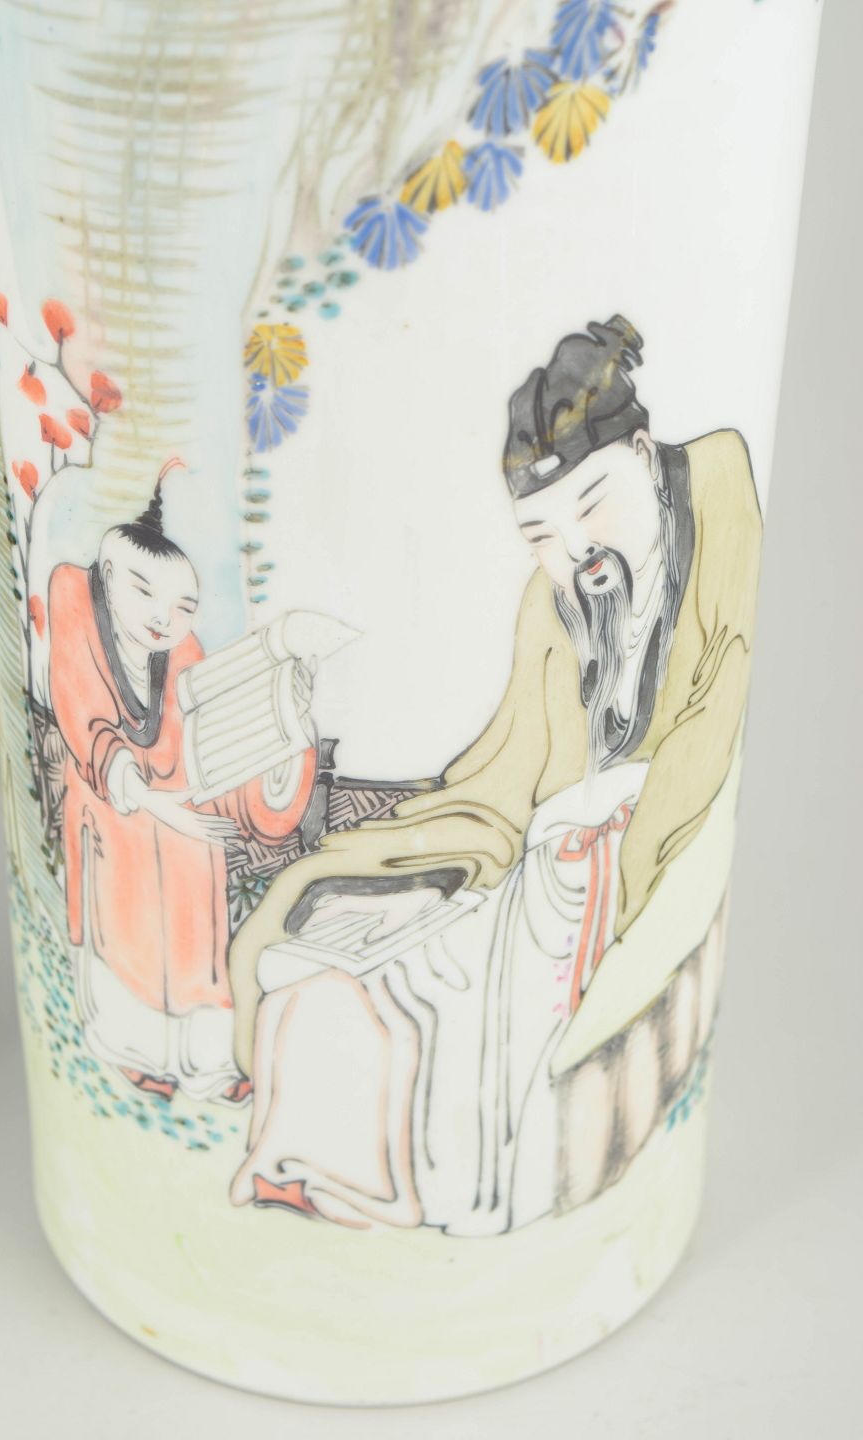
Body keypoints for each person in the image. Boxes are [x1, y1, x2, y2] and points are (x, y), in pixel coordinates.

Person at [225, 315, 763, 1231]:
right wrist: (425, 852)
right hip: (547, 859)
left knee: (463, 999)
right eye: (540, 534)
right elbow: (506, 775)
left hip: (620, 859)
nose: (575, 551)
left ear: (643, 453)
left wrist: (623, 863)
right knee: (355, 958)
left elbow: (709, 725)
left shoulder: (718, 506)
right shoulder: (552, 606)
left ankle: (436, 1187)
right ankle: (302, 1162)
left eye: (593, 503)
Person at [48, 460, 317, 1102]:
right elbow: (79, 706)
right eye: (144, 591)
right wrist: (147, 799)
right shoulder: (71, 594)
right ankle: (132, 1049)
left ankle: (207, 1063)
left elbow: (206, 762)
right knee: (131, 899)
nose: (163, 617)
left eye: (183, 606)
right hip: (112, 805)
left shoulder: (185, 654)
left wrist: (287, 725)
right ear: (108, 575)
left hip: (179, 815)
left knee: (199, 881)